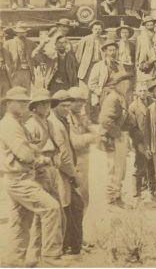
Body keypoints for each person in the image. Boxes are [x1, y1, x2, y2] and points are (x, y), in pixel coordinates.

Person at [0, 87, 64, 267]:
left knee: (20, 223)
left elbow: (30, 149)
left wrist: (35, 153)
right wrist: (40, 159)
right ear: (7, 103)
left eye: (24, 102)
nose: (23, 105)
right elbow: (25, 155)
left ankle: (14, 262)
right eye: (19, 102)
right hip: (20, 179)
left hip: (17, 178)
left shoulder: (16, 123)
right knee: (51, 208)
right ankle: (51, 256)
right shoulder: (10, 125)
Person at [24, 89, 63, 266]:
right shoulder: (31, 125)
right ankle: (37, 255)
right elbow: (30, 152)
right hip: (39, 170)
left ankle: (46, 254)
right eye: (42, 104)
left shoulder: (49, 123)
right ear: (35, 107)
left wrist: (56, 156)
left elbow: (55, 144)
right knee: (42, 213)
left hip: (51, 168)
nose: (46, 107)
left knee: (52, 212)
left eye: (48, 103)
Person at [48, 90, 84, 258]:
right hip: (61, 173)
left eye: (69, 106)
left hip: (65, 172)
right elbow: (62, 156)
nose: (67, 109)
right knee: (67, 208)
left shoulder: (62, 120)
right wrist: (73, 175)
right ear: (54, 106)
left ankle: (73, 245)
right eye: (63, 106)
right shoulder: (55, 124)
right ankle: (66, 246)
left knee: (74, 207)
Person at [97, 71, 139, 207]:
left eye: (128, 82)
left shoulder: (121, 97)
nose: (127, 85)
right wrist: (118, 134)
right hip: (113, 138)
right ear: (117, 84)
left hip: (119, 136)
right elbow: (105, 120)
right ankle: (112, 199)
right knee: (115, 169)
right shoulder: (113, 98)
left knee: (120, 169)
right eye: (124, 82)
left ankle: (117, 196)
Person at [67, 87, 96, 212]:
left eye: (82, 101)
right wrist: (92, 137)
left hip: (83, 159)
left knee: (85, 196)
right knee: (77, 197)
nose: (80, 104)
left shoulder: (80, 115)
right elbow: (76, 142)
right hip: (74, 161)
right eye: (76, 101)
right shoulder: (67, 118)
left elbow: (93, 129)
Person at [128, 82, 156, 200]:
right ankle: (137, 192)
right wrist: (139, 143)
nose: (143, 93)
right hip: (140, 140)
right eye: (140, 91)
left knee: (152, 165)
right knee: (140, 165)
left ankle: (152, 191)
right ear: (136, 92)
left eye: (145, 90)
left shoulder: (154, 103)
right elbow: (132, 127)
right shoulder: (133, 107)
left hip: (153, 138)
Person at [88, 39, 125, 109]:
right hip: (104, 95)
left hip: (118, 94)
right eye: (110, 50)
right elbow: (91, 84)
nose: (112, 53)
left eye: (114, 50)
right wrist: (100, 92)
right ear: (105, 52)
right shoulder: (98, 66)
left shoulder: (120, 65)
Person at [5, 21, 36, 91]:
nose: (22, 34)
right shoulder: (8, 44)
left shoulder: (31, 43)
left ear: (26, 32)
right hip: (15, 71)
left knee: (27, 92)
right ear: (16, 32)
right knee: (15, 92)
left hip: (27, 72)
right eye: (20, 32)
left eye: (24, 32)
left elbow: (38, 52)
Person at [75, 20, 104, 85]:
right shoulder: (85, 39)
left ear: (101, 30)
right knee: (86, 81)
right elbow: (79, 53)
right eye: (95, 29)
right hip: (88, 64)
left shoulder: (103, 41)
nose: (97, 31)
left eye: (99, 29)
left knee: (97, 81)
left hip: (98, 64)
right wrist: (78, 64)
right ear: (92, 29)